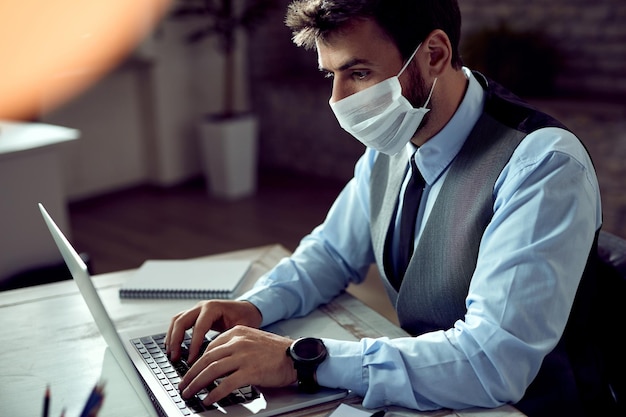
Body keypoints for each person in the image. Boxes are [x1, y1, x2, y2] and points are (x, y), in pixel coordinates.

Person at [166, 1, 607, 415]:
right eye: (330, 76)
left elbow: (491, 362)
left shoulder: (542, 165)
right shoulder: (400, 129)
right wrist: (255, 307)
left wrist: (300, 360)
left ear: (434, 53)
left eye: (358, 72)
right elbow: (332, 253)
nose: (338, 101)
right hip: (426, 395)